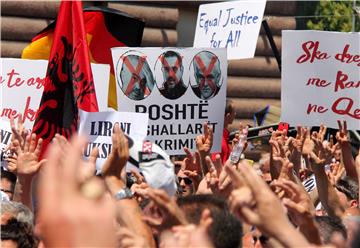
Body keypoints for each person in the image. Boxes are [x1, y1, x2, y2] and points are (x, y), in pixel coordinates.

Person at [211, 99, 235, 164]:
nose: (235, 114)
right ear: (228, 116)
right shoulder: (218, 139)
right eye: (234, 112)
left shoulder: (225, 135)